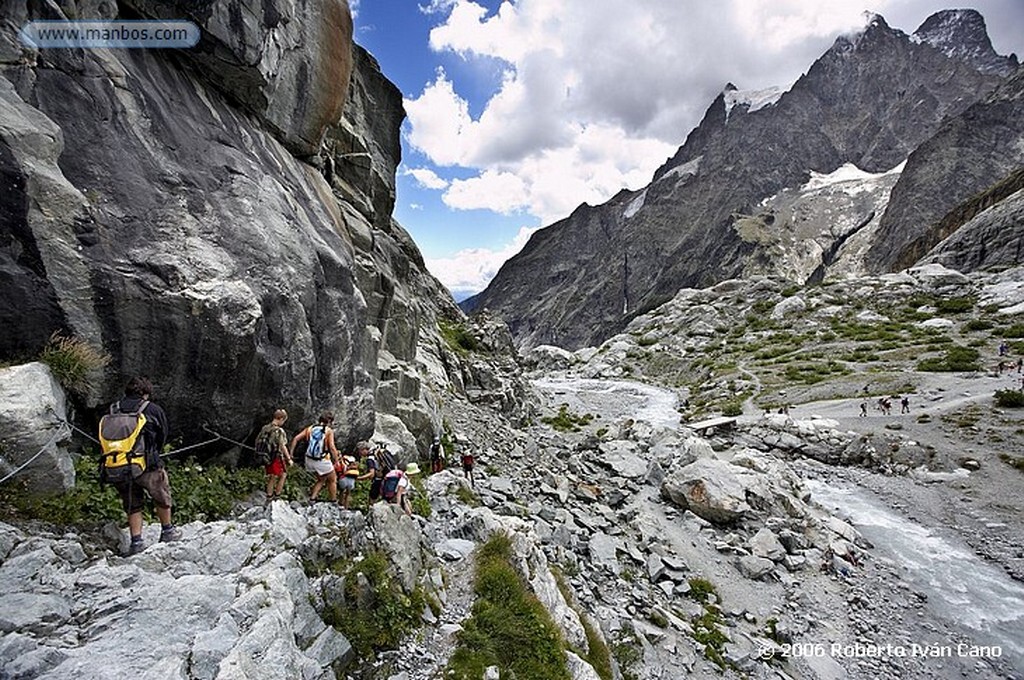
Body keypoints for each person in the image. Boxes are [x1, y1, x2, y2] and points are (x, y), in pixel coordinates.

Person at [107, 377, 180, 555]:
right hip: (147, 464)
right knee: (161, 495)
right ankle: (167, 531)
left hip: (119, 465)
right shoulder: (152, 409)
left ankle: (136, 542)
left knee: (132, 503)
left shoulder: (113, 409)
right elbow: (163, 434)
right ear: (146, 393)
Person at [290, 411, 340, 503]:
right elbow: (332, 448)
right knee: (333, 479)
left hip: (309, 459)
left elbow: (296, 439)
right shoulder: (329, 431)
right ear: (329, 422)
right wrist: (336, 460)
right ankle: (333, 501)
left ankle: (312, 498)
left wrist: (291, 454)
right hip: (321, 460)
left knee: (321, 479)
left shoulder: (310, 428)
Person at [259, 409, 291, 503]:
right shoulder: (279, 431)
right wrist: (289, 459)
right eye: (283, 421)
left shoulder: (265, 428)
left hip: (266, 456)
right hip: (276, 456)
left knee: (271, 476)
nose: (283, 423)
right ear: (280, 419)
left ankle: (269, 497)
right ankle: (277, 496)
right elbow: (282, 445)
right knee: (283, 475)